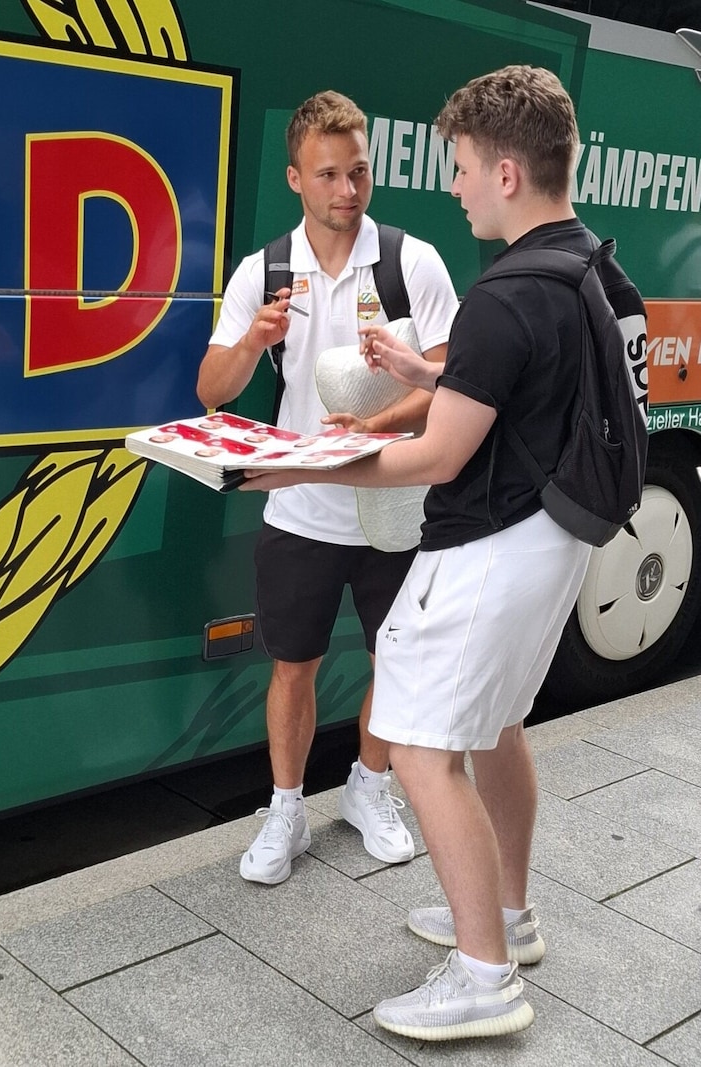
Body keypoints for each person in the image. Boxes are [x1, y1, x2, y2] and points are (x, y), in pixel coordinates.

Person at [240, 65, 645, 1039]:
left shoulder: (508, 289)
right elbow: (521, 381)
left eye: (461, 165)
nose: (453, 184)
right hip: (552, 542)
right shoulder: (589, 263)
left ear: (506, 171)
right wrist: (424, 367)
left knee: (420, 749)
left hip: (487, 548)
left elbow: (437, 452)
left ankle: (482, 974)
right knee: (496, 726)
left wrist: (290, 470)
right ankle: (507, 912)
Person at [196, 90, 458, 885]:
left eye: (359, 171)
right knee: (293, 666)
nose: (348, 189)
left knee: (398, 661)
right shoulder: (265, 271)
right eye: (329, 174)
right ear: (295, 179)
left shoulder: (413, 261)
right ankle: (285, 810)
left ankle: (368, 789)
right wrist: (252, 340)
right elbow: (212, 389)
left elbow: (453, 377)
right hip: (300, 507)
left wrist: (381, 427)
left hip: (395, 504)